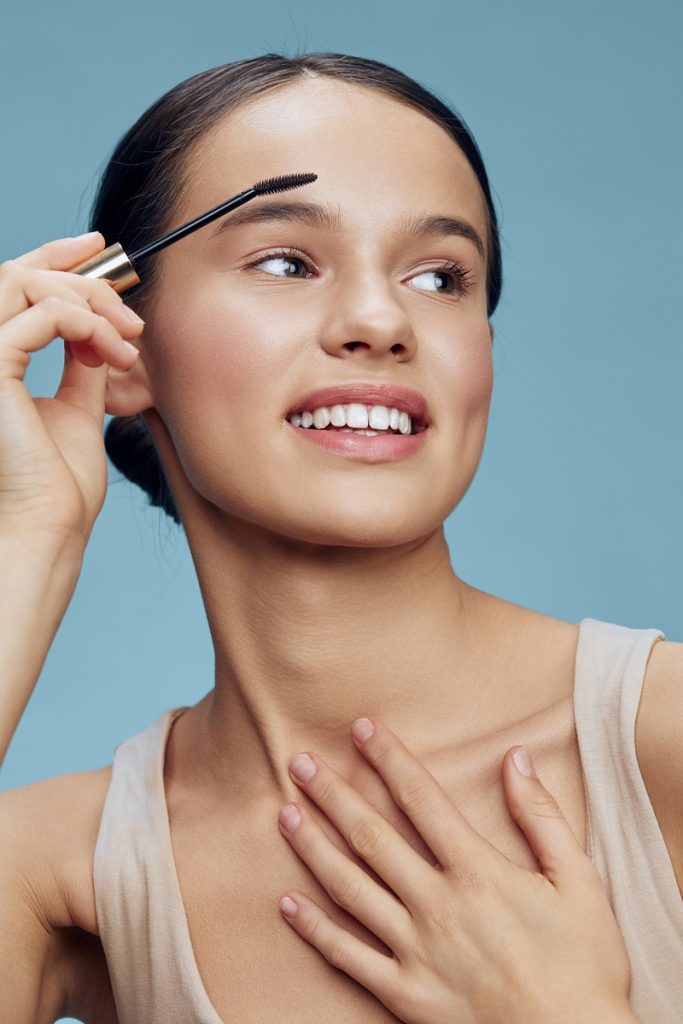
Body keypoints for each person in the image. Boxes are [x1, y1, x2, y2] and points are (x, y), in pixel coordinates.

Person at [0, 52, 680, 1024]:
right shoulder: (56, 869)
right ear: (118, 338)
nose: (379, 319)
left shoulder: (663, 738)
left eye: (440, 276)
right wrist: (25, 541)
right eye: (285, 261)